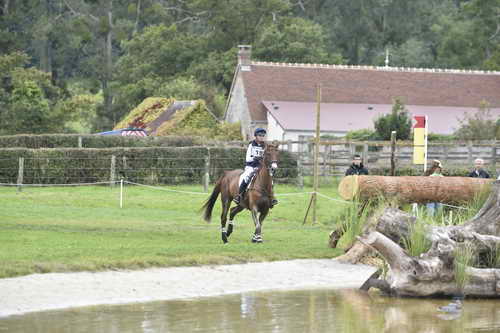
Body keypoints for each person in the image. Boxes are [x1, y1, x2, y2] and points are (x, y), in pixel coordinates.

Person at [233, 128, 278, 207]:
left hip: (261, 167)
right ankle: (238, 195)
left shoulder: (265, 145)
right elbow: (248, 158)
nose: (261, 137)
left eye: (263, 135)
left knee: (270, 179)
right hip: (251, 165)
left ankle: (271, 198)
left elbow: (267, 156)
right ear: (256, 136)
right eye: (260, 135)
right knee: (246, 176)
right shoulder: (251, 145)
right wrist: (255, 158)